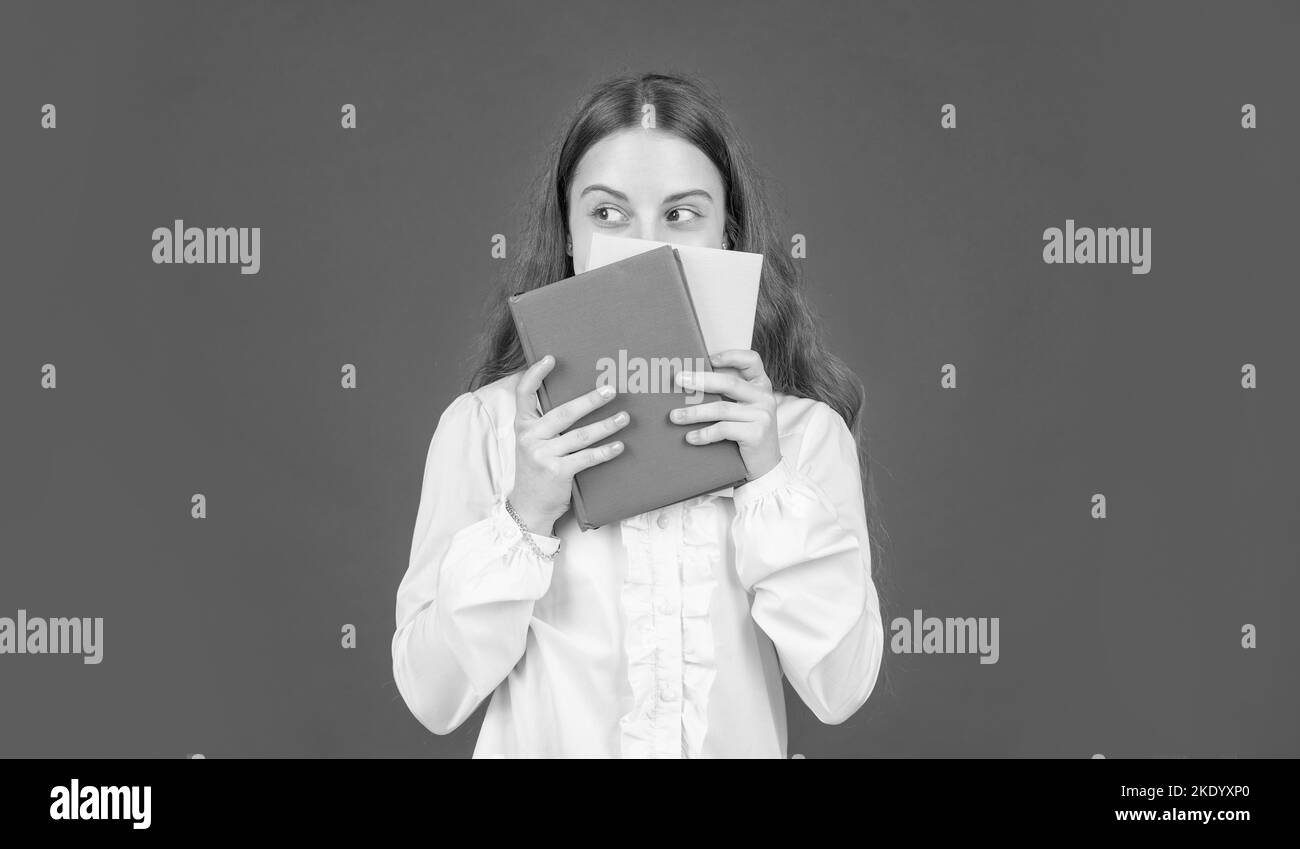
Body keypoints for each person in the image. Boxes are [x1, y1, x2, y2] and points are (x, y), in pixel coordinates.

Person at [392, 72, 885, 757]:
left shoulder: (801, 436)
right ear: (567, 232)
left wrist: (768, 481)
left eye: (682, 214)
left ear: (726, 233)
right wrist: (525, 517)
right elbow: (431, 694)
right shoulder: (485, 429)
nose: (646, 247)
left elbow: (842, 685)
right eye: (609, 213)